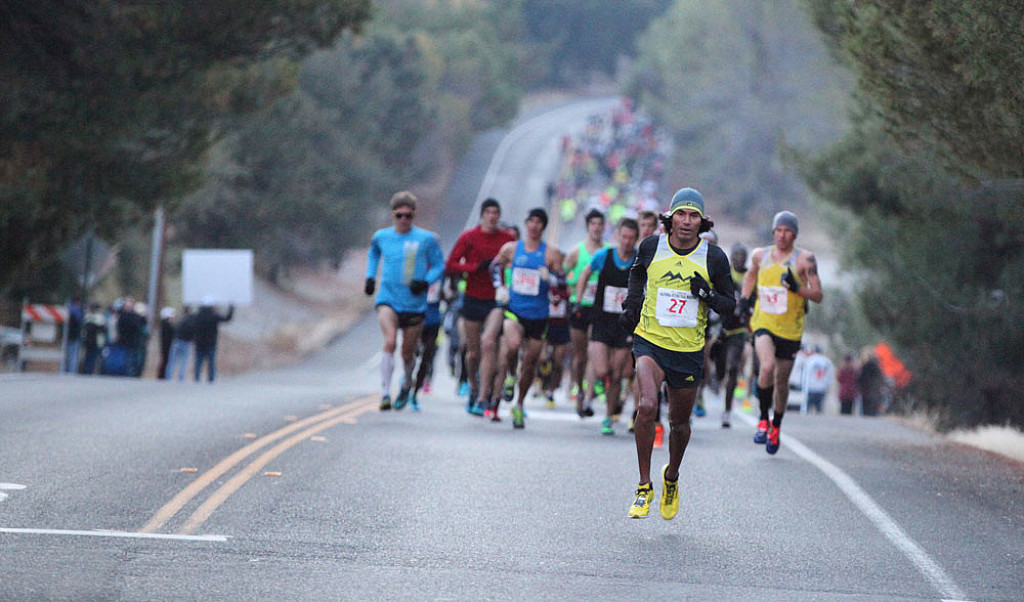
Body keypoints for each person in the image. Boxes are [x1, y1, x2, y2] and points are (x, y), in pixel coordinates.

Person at [619, 188, 735, 519]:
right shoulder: (651, 246)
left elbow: (729, 305)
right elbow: (637, 274)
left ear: (702, 221)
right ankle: (644, 487)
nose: (686, 221)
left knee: (679, 424)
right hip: (650, 341)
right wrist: (632, 305)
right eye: (681, 214)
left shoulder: (714, 257)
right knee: (647, 405)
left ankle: (671, 476)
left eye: (693, 215)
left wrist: (707, 295)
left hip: (687, 350)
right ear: (670, 218)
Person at [742, 210, 824, 454]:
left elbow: (818, 294)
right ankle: (762, 420)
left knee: (781, 382)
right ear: (773, 232)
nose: (782, 235)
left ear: (795, 235)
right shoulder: (760, 255)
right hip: (763, 323)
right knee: (766, 367)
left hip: (790, 329)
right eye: (778, 230)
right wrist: (745, 300)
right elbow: (750, 276)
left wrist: (797, 288)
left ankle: (776, 425)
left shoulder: (805, 260)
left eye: (787, 231)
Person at [365, 191, 445, 410]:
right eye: (399, 215)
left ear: (414, 215)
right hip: (388, 299)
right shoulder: (381, 236)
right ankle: (385, 393)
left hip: (414, 303)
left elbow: (439, 265)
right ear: (392, 215)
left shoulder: (426, 239)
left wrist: (426, 281)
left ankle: (407, 383)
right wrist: (370, 277)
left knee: (407, 353)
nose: (403, 219)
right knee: (390, 341)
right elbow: (373, 254)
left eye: (408, 216)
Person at [490, 208, 562, 428]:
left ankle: (519, 404)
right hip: (515, 310)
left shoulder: (551, 253)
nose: (534, 225)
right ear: (526, 224)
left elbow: (562, 283)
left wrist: (550, 278)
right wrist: (499, 287)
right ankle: (511, 376)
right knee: (512, 346)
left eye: (538, 222)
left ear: (543, 226)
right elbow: (494, 266)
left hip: (538, 315)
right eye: (531, 221)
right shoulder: (511, 248)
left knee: (530, 364)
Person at [444, 198, 516, 415]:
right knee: (473, 352)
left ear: (499, 216)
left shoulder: (507, 239)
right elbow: (450, 265)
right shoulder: (469, 237)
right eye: (488, 212)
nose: (492, 216)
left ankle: (484, 396)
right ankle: (473, 387)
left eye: (495, 213)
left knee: (488, 344)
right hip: (472, 298)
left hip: (495, 301)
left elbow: (517, 264)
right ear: (482, 215)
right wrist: (475, 267)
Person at [574, 217, 639, 435]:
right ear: (618, 236)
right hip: (601, 321)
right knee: (602, 371)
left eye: (631, 238)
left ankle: (608, 417)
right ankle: (599, 388)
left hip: (624, 325)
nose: (627, 242)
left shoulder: (639, 259)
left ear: (636, 239)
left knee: (617, 374)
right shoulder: (604, 256)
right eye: (624, 237)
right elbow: (584, 274)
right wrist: (578, 300)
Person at [564, 208, 607, 415]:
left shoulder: (608, 252)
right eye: (593, 224)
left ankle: (589, 396)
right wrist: (574, 284)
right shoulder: (576, 252)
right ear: (588, 226)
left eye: (600, 224)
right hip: (579, 307)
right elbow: (562, 275)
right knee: (580, 355)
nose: (596, 228)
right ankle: (579, 389)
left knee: (593, 351)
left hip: (599, 309)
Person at [719, 243, 752, 427]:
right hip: (721, 328)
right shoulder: (724, 273)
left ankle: (727, 411)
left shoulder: (750, 276)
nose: (740, 258)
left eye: (743, 255)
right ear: (731, 257)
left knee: (732, 368)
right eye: (737, 255)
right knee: (717, 370)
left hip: (738, 330)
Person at [409, 280, 444, 411]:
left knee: (427, 357)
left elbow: (451, 291)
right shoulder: (416, 270)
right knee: (413, 352)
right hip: (416, 314)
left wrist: (446, 294)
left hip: (433, 318)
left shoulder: (441, 272)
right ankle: (407, 381)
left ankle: (415, 393)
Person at [193, 298, 234, 383]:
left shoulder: (197, 316)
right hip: (211, 344)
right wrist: (231, 307)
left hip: (199, 344)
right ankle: (211, 381)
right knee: (211, 364)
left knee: (198, 364)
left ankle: (196, 380)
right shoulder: (213, 316)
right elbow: (227, 318)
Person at [165, 306, 196, 381]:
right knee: (184, 361)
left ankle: (168, 376)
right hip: (187, 342)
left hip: (177, 341)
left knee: (172, 360)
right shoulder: (192, 321)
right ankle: (181, 377)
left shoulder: (181, 319)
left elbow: (176, 329)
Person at [803, 346, 834, 413]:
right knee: (819, 408)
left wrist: (804, 385)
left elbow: (805, 374)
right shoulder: (827, 361)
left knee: (808, 407)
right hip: (822, 387)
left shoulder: (810, 360)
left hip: (811, 387)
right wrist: (828, 385)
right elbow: (830, 375)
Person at [857, 348, 886, 416]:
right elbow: (880, 379)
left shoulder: (865, 366)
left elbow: (860, 378)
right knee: (873, 410)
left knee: (866, 410)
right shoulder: (877, 367)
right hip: (874, 391)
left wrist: (860, 386)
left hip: (866, 390)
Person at [80, 303, 106, 375]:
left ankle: (86, 371)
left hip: (88, 340)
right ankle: (93, 371)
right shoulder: (100, 317)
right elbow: (103, 330)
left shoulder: (87, 317)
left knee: (87, 357)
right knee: (94, 358)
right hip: (97, 341)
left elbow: (83, 329)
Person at [63, 297, 83, 373]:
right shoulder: (77, 311)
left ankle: (66, 370)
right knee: (74, 355)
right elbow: (79, 322)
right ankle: (72, 371)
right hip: (75, 336)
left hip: (68, 336)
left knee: (68, 354)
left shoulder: (68, 309)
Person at [157, 307, 175, 380]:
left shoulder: (165, 324)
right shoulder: (166, 325)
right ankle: (162, 375)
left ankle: (162, 375)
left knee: (165, 360)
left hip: (166, 345)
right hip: (166, 345)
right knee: (165, 360)